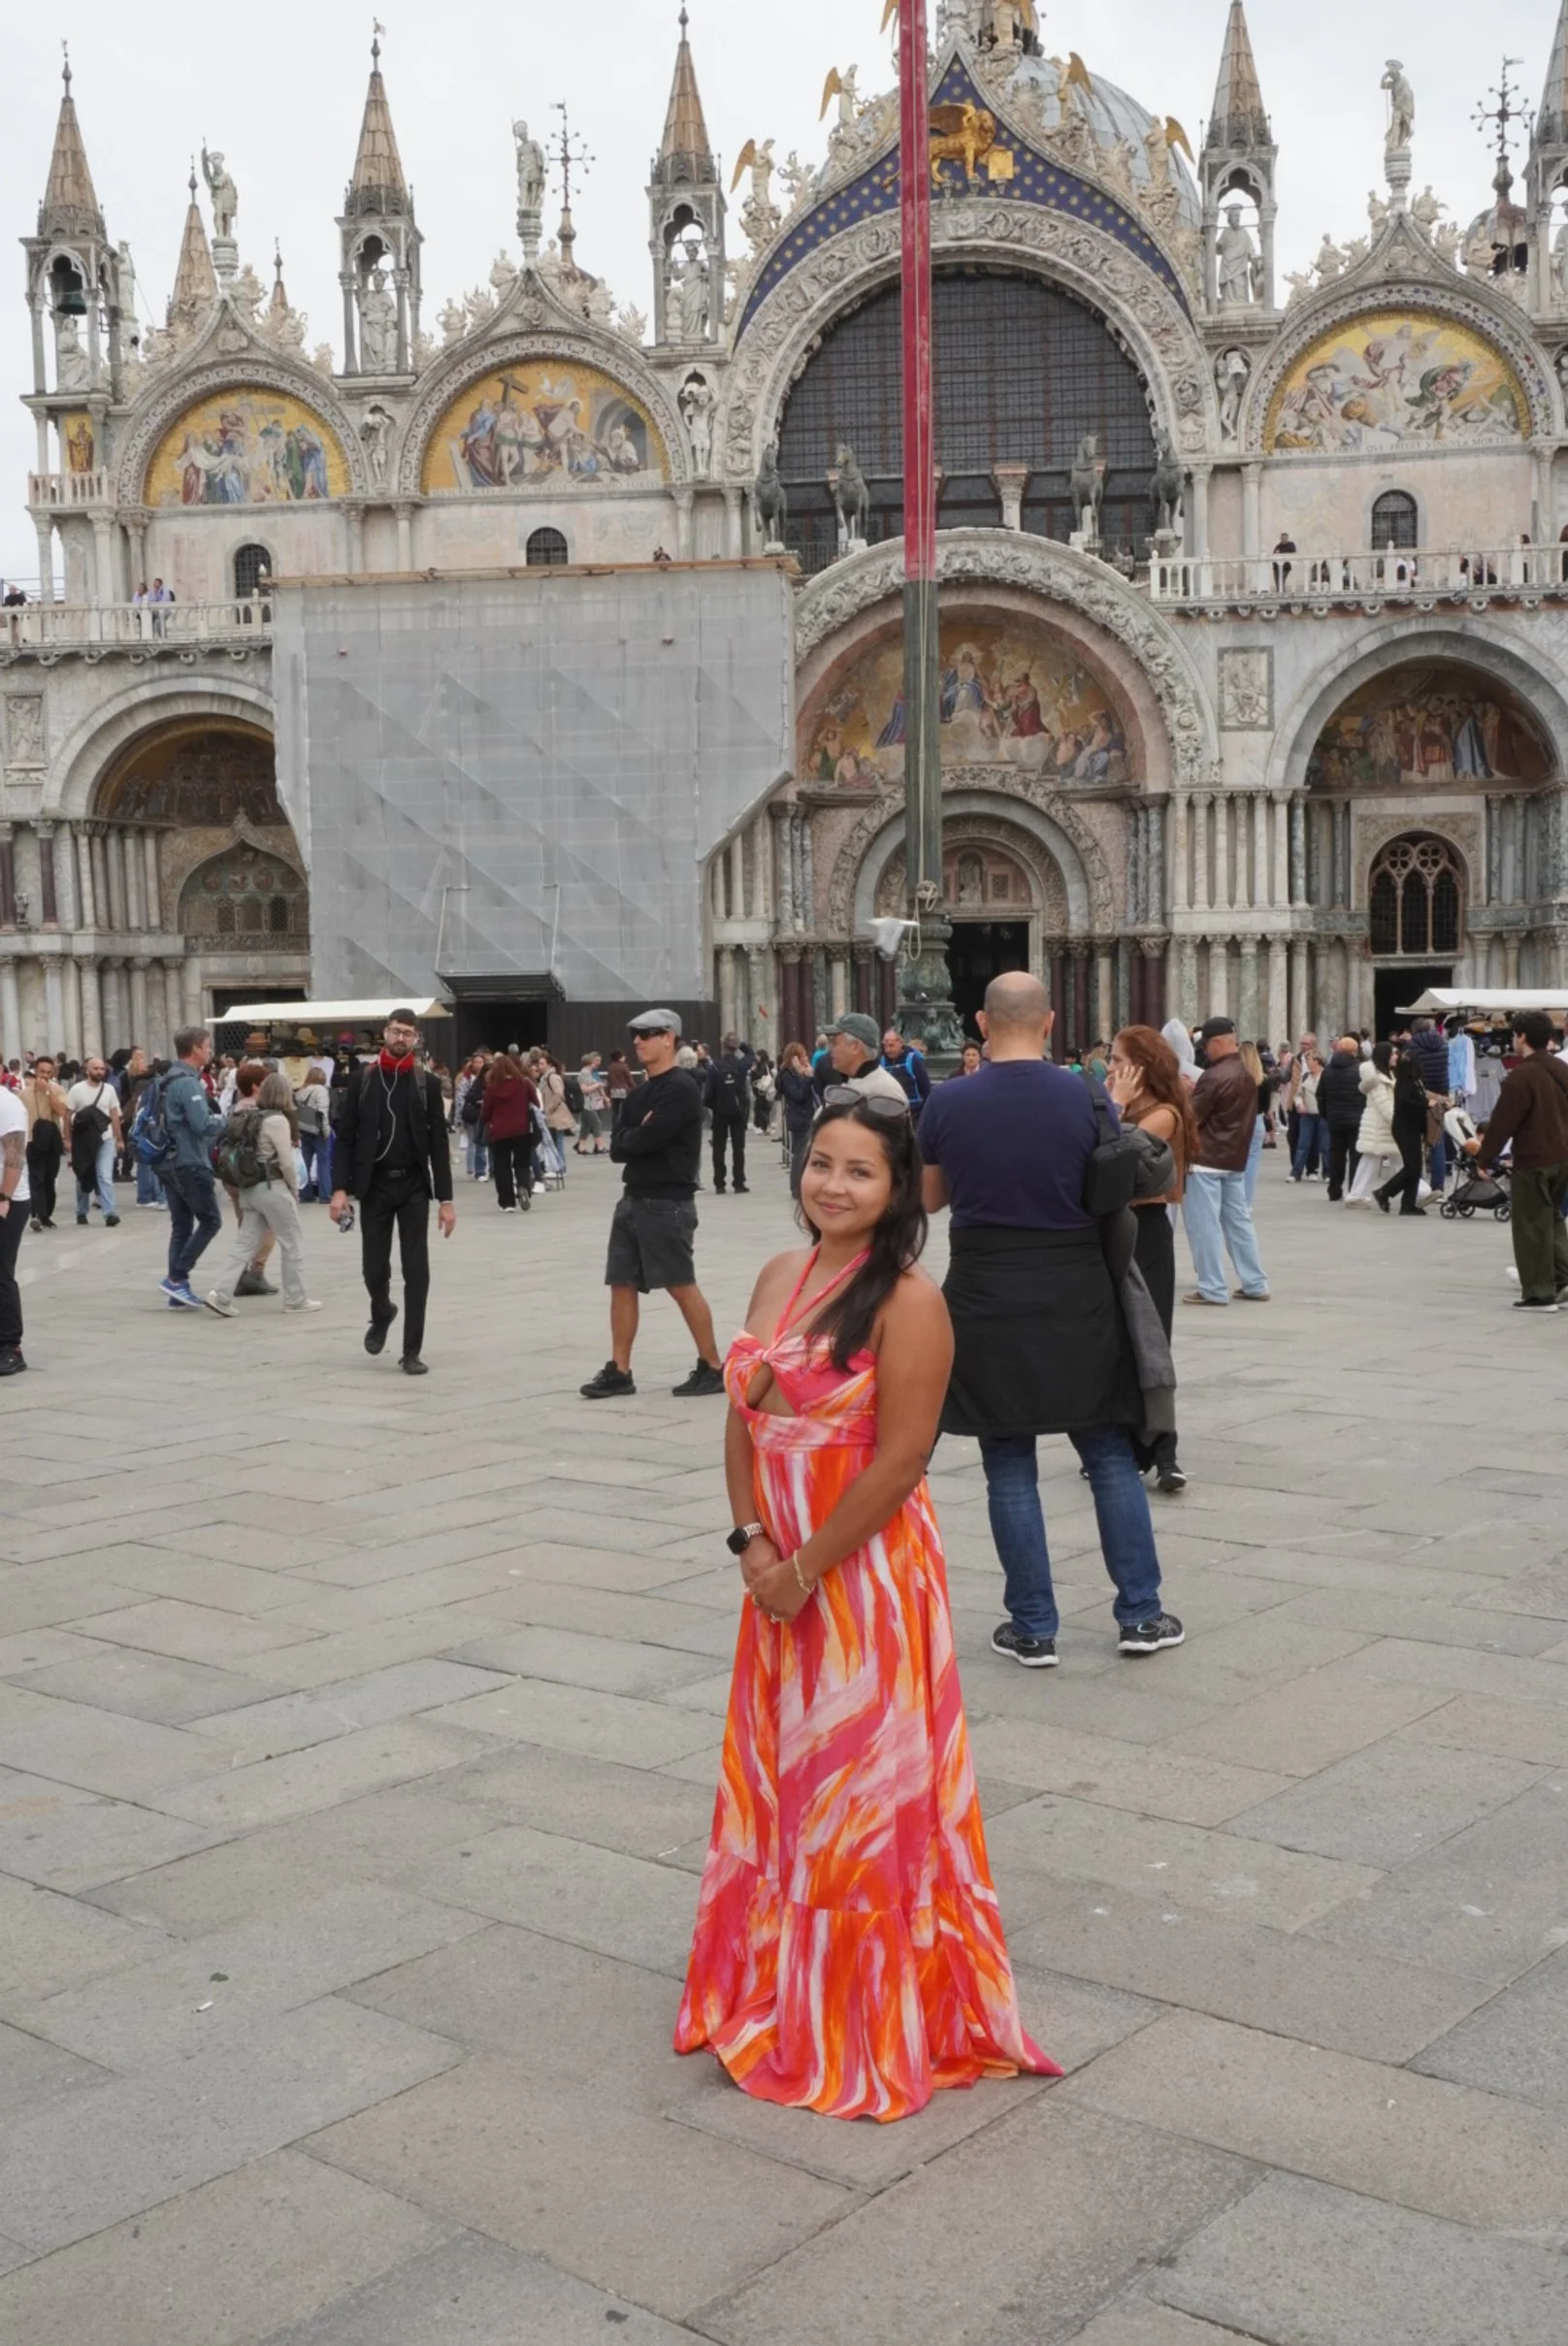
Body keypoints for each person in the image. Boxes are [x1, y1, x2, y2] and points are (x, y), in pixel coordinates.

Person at [674, 1092, 1056, 2118]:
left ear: (897, 1193)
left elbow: (898, 1464)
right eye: (819, 1162)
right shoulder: (775, 1275)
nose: (831, 1185)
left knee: (857, 1795)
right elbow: (745, 1417)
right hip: (776, 1566)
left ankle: (859, 2016)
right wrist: (751, 1538)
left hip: (861, 1577)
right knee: (784, 1785)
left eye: (858, 1171)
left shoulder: (906, 1300)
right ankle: (774, 1985)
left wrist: (802, 1574)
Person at [918, 971, 1183, 1666]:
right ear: (1049, 1021)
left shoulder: (947, 1100)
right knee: (1107, 1454)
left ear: (980, 1022)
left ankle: (1034, 1627)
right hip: (1076, 1291)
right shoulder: (1089, 1094)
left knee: (1007, 1462)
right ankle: (1141, 1616)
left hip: (983, 1291)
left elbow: (931, 1199)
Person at [580, 1009, 725, 1400]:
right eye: (636, 1035)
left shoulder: (680, 1088)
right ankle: (619, 1370)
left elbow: (646, 1139)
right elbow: (621, 1145)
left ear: (670, 1039)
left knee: (680, 1284)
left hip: (667, 1201)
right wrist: (633, 1135)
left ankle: (713, 1365)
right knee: (621, 1283)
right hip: (632, 1199)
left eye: (649, 1034)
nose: (639, 1041)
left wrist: (634, 1136)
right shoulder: (643, 1091)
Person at [330, 1008, 455, 1376]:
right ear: (385, 1033)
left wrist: (446, 1200)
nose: (401, 1038)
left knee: (417, 1270)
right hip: (375, 1186)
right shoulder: (363, 1080)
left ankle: (411, 1350)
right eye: (396, 1031)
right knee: (374, 1269)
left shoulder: (426, 1084)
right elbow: (346, 1138)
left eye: (408, 1034)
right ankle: (382, 1310)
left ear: (416, 1039)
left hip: (414, 1185)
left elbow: (438, 1145)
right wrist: (340, 1189)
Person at [1107, 1024, 1198, 1492]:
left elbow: (1117, 1155)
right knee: (1116, 1342)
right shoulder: (1114, 1104)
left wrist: (1114, 1106)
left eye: (1117, 1056)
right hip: (1111, 1228)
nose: (1109, 1065)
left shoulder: (1165, 1113)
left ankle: (1166, 1452)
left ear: (1139, 1065)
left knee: (1151, 1338)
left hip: (1145, 1231)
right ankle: (1123, 1445)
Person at [1461, 1012, 1568, 1308]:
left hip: (1534, 1159)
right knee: (1552, 1218)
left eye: (1514, 1035)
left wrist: (1484, 1158)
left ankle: (1540, 1292)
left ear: (1521, 1036)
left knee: (1531, 1224)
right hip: (1562, 1157)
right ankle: (1564, 1280)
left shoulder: (1521, 1075)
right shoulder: (1561, 1068)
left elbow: (1502, 1122)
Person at [204, 1073, 321, 1317]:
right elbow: (287, 1163)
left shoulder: (252, 1115)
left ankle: (220, 1294)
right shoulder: (277, 1121)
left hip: (249, 1188)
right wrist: (294, 1189)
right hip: (272, 1186)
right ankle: (295, 1298)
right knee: (292, 1242)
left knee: (244, 1244)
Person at [1182, 1016, 1270, 1306]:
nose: (1205, 1051)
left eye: (1207, 1045)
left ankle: (1212, 1287)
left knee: (1204, 1225)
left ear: (1217, 1042)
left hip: (1205, 1160)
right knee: (1239, 1222)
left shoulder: (1213, 1076)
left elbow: (1193, 1119)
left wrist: (1184, 1095)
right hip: (1234, 1160)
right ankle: (1255, 1283)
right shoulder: (1246, 1074)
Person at [159, 1026, 225, 1309]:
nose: (210, 1051)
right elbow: (202, 1125)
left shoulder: (166, 1080)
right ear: (196, 1049)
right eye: (208, 1046)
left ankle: (178, 1291)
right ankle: (176, 1277)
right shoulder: (187, 1083)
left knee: (182, 1226)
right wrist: (226, 1120)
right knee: (211, 1220)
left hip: (169, 1162)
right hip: (189, 1161)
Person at [1374, 1044, 1430, 1217]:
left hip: (1412, 1128)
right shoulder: (1405, 1082)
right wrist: (1426, 1104)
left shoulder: (1414, 1081)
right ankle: (1385, 1191)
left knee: (1415, 1166)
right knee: (1412, 1167)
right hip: (1404, 1128)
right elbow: (1405, 1103)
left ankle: (1408, 1204)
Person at [479, 1051, 539, 1212]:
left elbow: (485, 1111)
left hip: (499, 1132)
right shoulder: (524, 1084)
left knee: (502, 1167)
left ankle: (507, 1203)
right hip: (522, 1130)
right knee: (522, 1164)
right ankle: (523, 1186)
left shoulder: (493, 1088)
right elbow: (536, 1103)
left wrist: (487, 1121)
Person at [67, 1057, 121, 1227]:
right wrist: (67, 1139)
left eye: (102, 1069)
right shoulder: (77, 1090)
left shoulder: (109, 1090)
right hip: (83, 1141)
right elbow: (67, 1115)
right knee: (83, 1175)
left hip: (105, 1138)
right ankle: (81, 1211)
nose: (99, 1072)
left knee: (104, 1175)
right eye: (96, 1068)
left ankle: (109, 1213)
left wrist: (119, 1138)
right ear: (87, 1070)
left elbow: (114, 1114)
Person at [0, 1071, 30, 1374]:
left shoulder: (7, 1105)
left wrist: (4, 1196)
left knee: (1, 1272)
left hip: (9, 1200)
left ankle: (11, 1346)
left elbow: (15, 1154)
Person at [814, 1011, 910, 1104]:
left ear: (855, 1047)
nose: (830, 1049)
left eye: (835, 1043)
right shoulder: (851, 1082)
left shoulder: (886, 1093)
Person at [1346, 1043, 1399, 1205]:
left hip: (1380, 1124)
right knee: (1394, 1159)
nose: (1397, 1056)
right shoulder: (1377, 1078)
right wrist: (1397, 1122)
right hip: (1379, 1125)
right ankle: (1421, 1192)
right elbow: (1384, 1104)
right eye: (1393, 1054)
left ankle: (1355, 1195)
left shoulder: (1387, 1074)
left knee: (1378, 1160)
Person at [21, 1055, 68, 1231]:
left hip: (52, 1140)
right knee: (36, 1178)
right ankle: (36, 1214)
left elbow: (62, 1110)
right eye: (42, 1072)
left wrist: (48, 1091)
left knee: (50, 1178)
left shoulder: (57, 1090)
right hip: (32, 1141)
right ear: (35, 1071)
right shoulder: (24, 1093)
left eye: (48, 1072)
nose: (45, 1075)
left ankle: (46, 1214)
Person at [1318, 1035, 1365, 1202]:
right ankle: (1354, 1189)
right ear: (1354, 1051)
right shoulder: (1360, 1069)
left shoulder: (1328, 1070)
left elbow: (1320, 1095)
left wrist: (1326, 1114)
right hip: (1356, 1120)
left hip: (1335, 1119)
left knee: (1336, 1155)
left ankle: (1334, 1189)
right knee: (1356, 1156)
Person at [704, 1031, 752, 1193]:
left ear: (723, 1046)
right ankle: (739, 1182)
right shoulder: (742, 1065)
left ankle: (719, 1183)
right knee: (738, 1148)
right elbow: (751, 1054)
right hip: (738, 1112)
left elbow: (708, 1094)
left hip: (720, 1112)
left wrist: (715, 1106)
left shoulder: (715, 1067)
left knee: (719, 1148)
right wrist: (742, 1045)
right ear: (735, 1047)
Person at [775, 1039, 817, 1198]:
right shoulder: (787, 1076)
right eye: (803, 1055)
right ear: (795, 1058)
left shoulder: (800, 1073)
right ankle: (796, 1188)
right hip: (799, 1118)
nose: (806, 1058)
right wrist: (805, 1078)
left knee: (805, 1152)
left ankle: (802, 1185)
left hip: (807, 1115)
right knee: (799, 1153)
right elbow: (798, 1095)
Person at [294, 1062, 333, 1200]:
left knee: (305, 1162)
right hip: (318, 1130)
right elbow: (323, 1112)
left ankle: (305, 1194)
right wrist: (326, 1131)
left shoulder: (300, 1091)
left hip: (304, 1129)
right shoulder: (321, 1090)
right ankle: (325, 1194)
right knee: (323, 1161)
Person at [1238, 1039, 1270, 1204]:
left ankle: (1236, 1199)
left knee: (1236, 1162)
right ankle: (1247, 1201)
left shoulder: (1236, 1079)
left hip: (1239, 1120)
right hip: (1257, 1120)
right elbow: (1266, 1106)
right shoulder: (1263, 1079)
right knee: (1252, 1163)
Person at [1289, 1048, 1325, 1180]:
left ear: (1317, 1061)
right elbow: (1298, 1094)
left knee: (1324, 1146)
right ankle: (1296, 1172)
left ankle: (1326, 1173)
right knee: (1303, 1144)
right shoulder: (1305, 1076)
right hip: (1307, 1115)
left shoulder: (1325, 1076)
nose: (1307, 1063)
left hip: (1322, 1116)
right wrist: (1299, 1104)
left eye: (1309, 1060)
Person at [881, 1026, 931, 1106]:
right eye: (885, 1046)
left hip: (913, 1112)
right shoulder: (882, 1062)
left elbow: (926, 1088)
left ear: (900, 1043)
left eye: (891, 1045)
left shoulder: (913, 1060)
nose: (888, 1050)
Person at [574, 1052, 609, 1154]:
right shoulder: (585, 1073)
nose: (596, 1063)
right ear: (590, 1062)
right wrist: (598, 1084)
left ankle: (581, 1146)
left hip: (589, 1102)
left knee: (586, 1125)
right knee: (596, 1123)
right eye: (594, 1061)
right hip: (587, 1102)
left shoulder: (587, 1072)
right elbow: (585, 1090)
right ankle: (600, 1146)